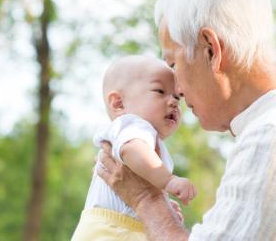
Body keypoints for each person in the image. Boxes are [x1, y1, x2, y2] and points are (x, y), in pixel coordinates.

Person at [97, 0, 276, 241]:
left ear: (211, 49)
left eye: (173, 63)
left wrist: (145, 199)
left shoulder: (273, 135)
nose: (175, 89)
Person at [72, 55, 196, 240]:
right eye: (160, 91)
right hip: (112, 230)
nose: (173, 102)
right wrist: (169, 181)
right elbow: (132, 150)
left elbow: (131, 189)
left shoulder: (148, 138)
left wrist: (164, 204)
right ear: (118, 103)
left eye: (177, 96)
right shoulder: (133, 125)